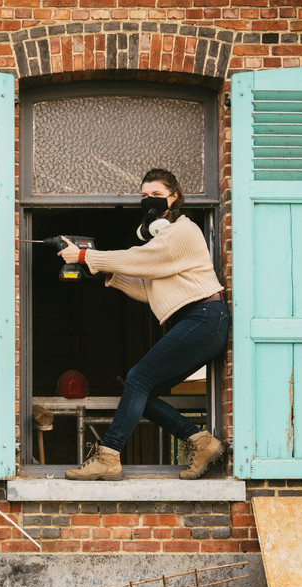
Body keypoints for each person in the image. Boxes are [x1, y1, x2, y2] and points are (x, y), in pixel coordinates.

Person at [59, 168, 229, 481]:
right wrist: (111, 275)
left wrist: (86, 257)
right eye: (144, 196)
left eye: (155, 195)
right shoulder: (164, 241)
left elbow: (141, 261)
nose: (148, 201)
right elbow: (147, 288)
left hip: (204, 317)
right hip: (197, 320)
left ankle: (109, 454)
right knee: (139, 388)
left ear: (174, 196)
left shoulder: (180, 232)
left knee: (138, 377)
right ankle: (200, 441)